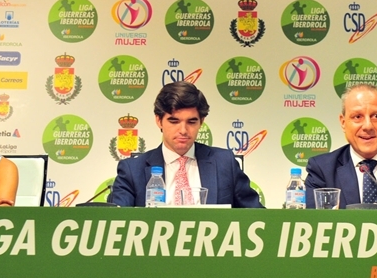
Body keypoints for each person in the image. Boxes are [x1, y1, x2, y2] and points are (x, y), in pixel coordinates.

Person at [111, 81, 263, 208]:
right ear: (159, 121)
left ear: (201, 122)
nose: (183, 130)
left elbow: (256, 217)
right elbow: (116, 222)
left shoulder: (224, 163)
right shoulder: (132, 170)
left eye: (191, 121)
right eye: (174, 121)